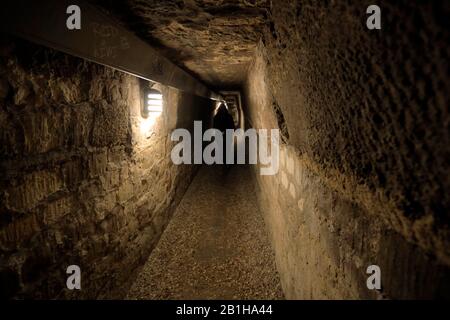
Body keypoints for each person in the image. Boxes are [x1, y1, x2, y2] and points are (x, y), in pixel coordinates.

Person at [213, 103, 235, 170]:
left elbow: (214, 127)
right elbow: (232, 126)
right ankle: (227, 163)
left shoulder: (216, 117)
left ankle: (222, 163)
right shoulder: (229, 116)